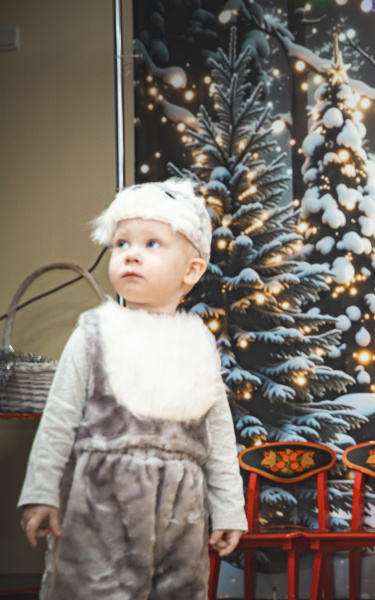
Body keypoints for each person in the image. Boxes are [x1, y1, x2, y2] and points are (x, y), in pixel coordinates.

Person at [18, 179, 247, 600]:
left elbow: (218, 434)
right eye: (121, 243)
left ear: (191, 271)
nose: (131, 254)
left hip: (182, 511)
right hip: (101, 505)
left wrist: (229, 509)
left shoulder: (198, 342)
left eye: (152, 244)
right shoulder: (95, 332)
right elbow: (59, 416)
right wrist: (41, 492)